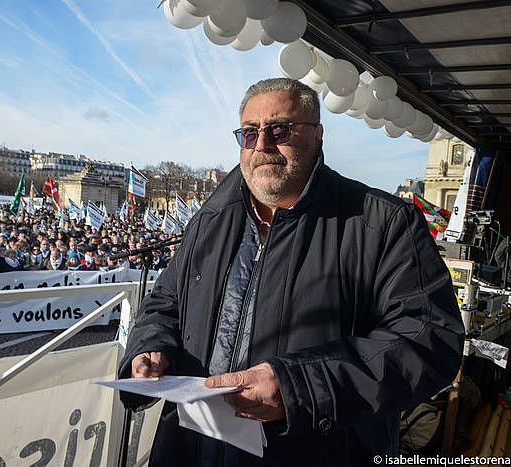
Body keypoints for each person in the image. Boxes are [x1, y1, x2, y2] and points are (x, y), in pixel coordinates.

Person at [117, 78, 464, 467]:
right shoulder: (209, 220)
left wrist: (295, 386)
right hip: (189, 449)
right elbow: (165, 301)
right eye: (249, 134)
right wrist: (150, 345)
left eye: (279, 129)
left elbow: (431, 339)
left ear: (316, 135)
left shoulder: (383, 223)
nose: (262, 145)